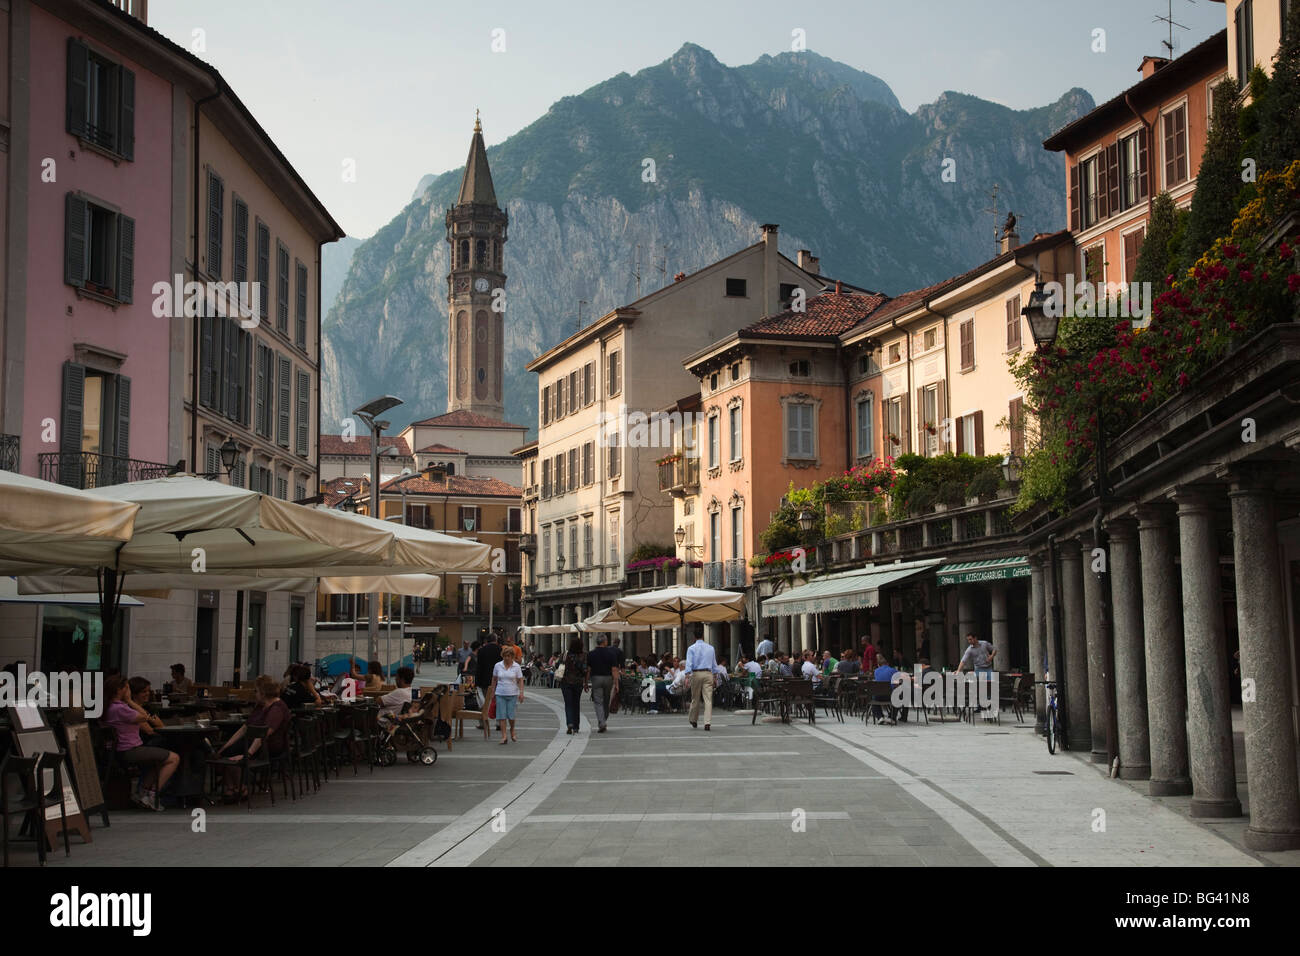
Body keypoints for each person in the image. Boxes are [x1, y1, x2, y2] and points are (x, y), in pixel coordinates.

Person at [101, 675, 177, 810]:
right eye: (127, 688)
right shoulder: (121, 709)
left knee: (159, 759)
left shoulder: (110, 707)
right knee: (174, 758)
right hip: (130, 750)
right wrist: (130, 701)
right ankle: (153, 795)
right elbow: (144, 717)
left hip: (119, 751)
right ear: (121, 690)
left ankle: (142, 793)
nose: (128, 691)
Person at [213, 675, 291, 800]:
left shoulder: (277, 708)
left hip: (268, 746)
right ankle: (231, 787)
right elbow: (244, 728)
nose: (254, 694)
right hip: (252, 741)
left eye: (256, 691)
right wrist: (225, 746)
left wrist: (247, 754)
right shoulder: (260, 706)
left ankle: (240, 787)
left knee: (233, 752)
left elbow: (263, 734)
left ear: (263, 693)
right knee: (228, 751)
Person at [487, 646, 524, 744]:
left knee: (511, 716)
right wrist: (492, 692)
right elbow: (494, 679)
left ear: (512, 656)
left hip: (512, 693)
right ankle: (504, 736)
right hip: (500, 693)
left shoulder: (516, 666)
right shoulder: (497, 665)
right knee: (501, 716)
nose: (506, 658)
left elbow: (520, 680)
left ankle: (512, 730)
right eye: (505, 656)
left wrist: (521, 692)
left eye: (509, 656)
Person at [684, 626, 717, 731]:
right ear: (703, 636)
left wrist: (687, 676)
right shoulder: (711, 648)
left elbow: (689, 663)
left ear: (694, 637)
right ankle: (707, 722)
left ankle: (693, 719)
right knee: (708, 699)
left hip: (696, 674)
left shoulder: (691, 648)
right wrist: (715, 676)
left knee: (695, 698)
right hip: (708, 673)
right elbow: (714, 664)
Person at [587, 634, 621, 733]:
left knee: (598, 702)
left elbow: (588, 669)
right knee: (606, 701)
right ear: (605, 642)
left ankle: (602, 722)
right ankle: (603, 721)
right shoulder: (611, 653)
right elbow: (614, 669)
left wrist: (585, 682)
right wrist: (616, 683)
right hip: (608, 679)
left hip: (596, 678)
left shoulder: (591, 654)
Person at [559, 637, 589, 733]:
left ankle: (570, 723)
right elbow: (585, 670)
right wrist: (585, 682)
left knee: (568, 704)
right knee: (576, 704)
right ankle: (576, 726)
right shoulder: (584, 655)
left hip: (566, 682)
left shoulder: (565, 654)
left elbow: (558, 665)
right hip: (578, 682)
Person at [476, 632, 502, 698]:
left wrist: (477, 682)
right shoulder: (500, 650)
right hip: (498, 680)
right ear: (496, 640)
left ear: (487, 640)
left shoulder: (481, 650)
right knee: (496, 700)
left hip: (484, 679)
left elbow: (479, 667)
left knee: (486, 700)